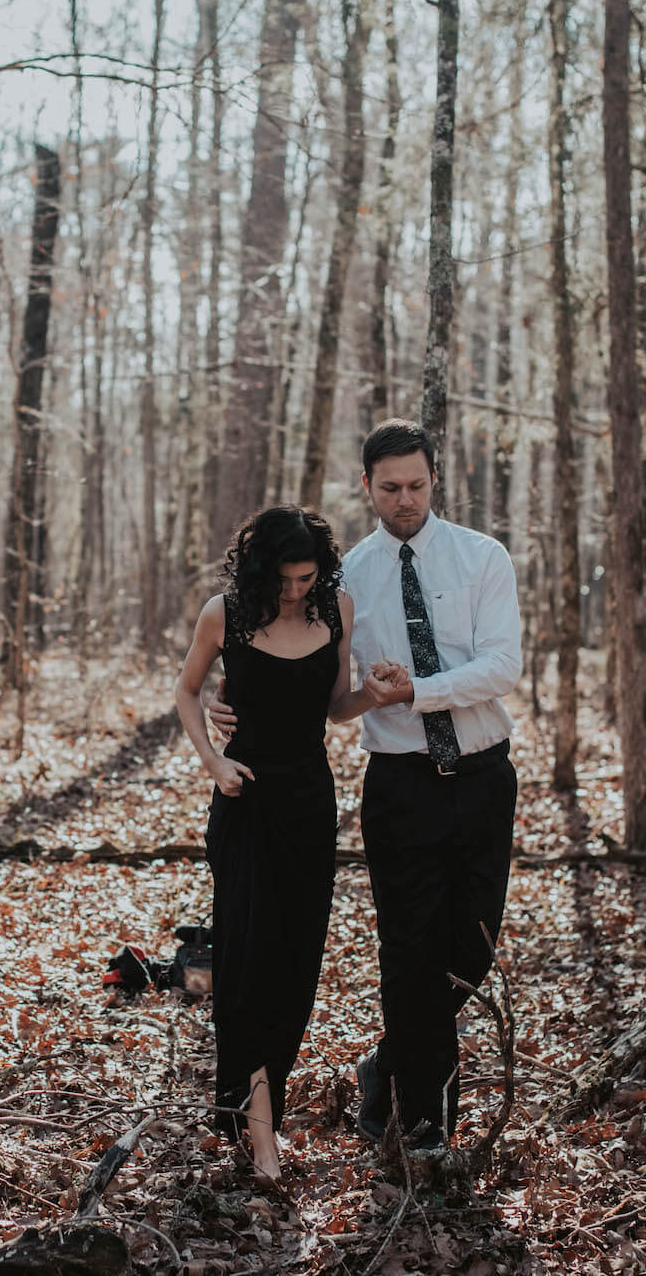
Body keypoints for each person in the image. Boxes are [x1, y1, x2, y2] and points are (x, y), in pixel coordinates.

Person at [211, 420, 522, 1151]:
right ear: (366, 487)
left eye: (416, 484)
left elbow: (502, 666)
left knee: (469, 953)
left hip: (482, 777)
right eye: (390, 487)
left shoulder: (483, 558)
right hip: (399, 786)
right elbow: (307, 675)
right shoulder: (343, 578)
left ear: (434, 479)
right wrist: (232, 703)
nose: (405, 498)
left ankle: (389, 1061)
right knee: (409, 951)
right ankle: (422, 1126)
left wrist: (420, 690)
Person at [174, 505, 387, 1182]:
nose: (298, 590)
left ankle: (249, 1110)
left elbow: (332, 706)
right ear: (264, 569)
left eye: (308, 577)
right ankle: (262, 1134)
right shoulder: (226, 614)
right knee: (247, 961)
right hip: (244, 802)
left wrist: (372, 697)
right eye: (287, 578)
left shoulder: (337, 609)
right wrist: (214, 761)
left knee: (297, 966)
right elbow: (186, 691)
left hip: (308, 802)